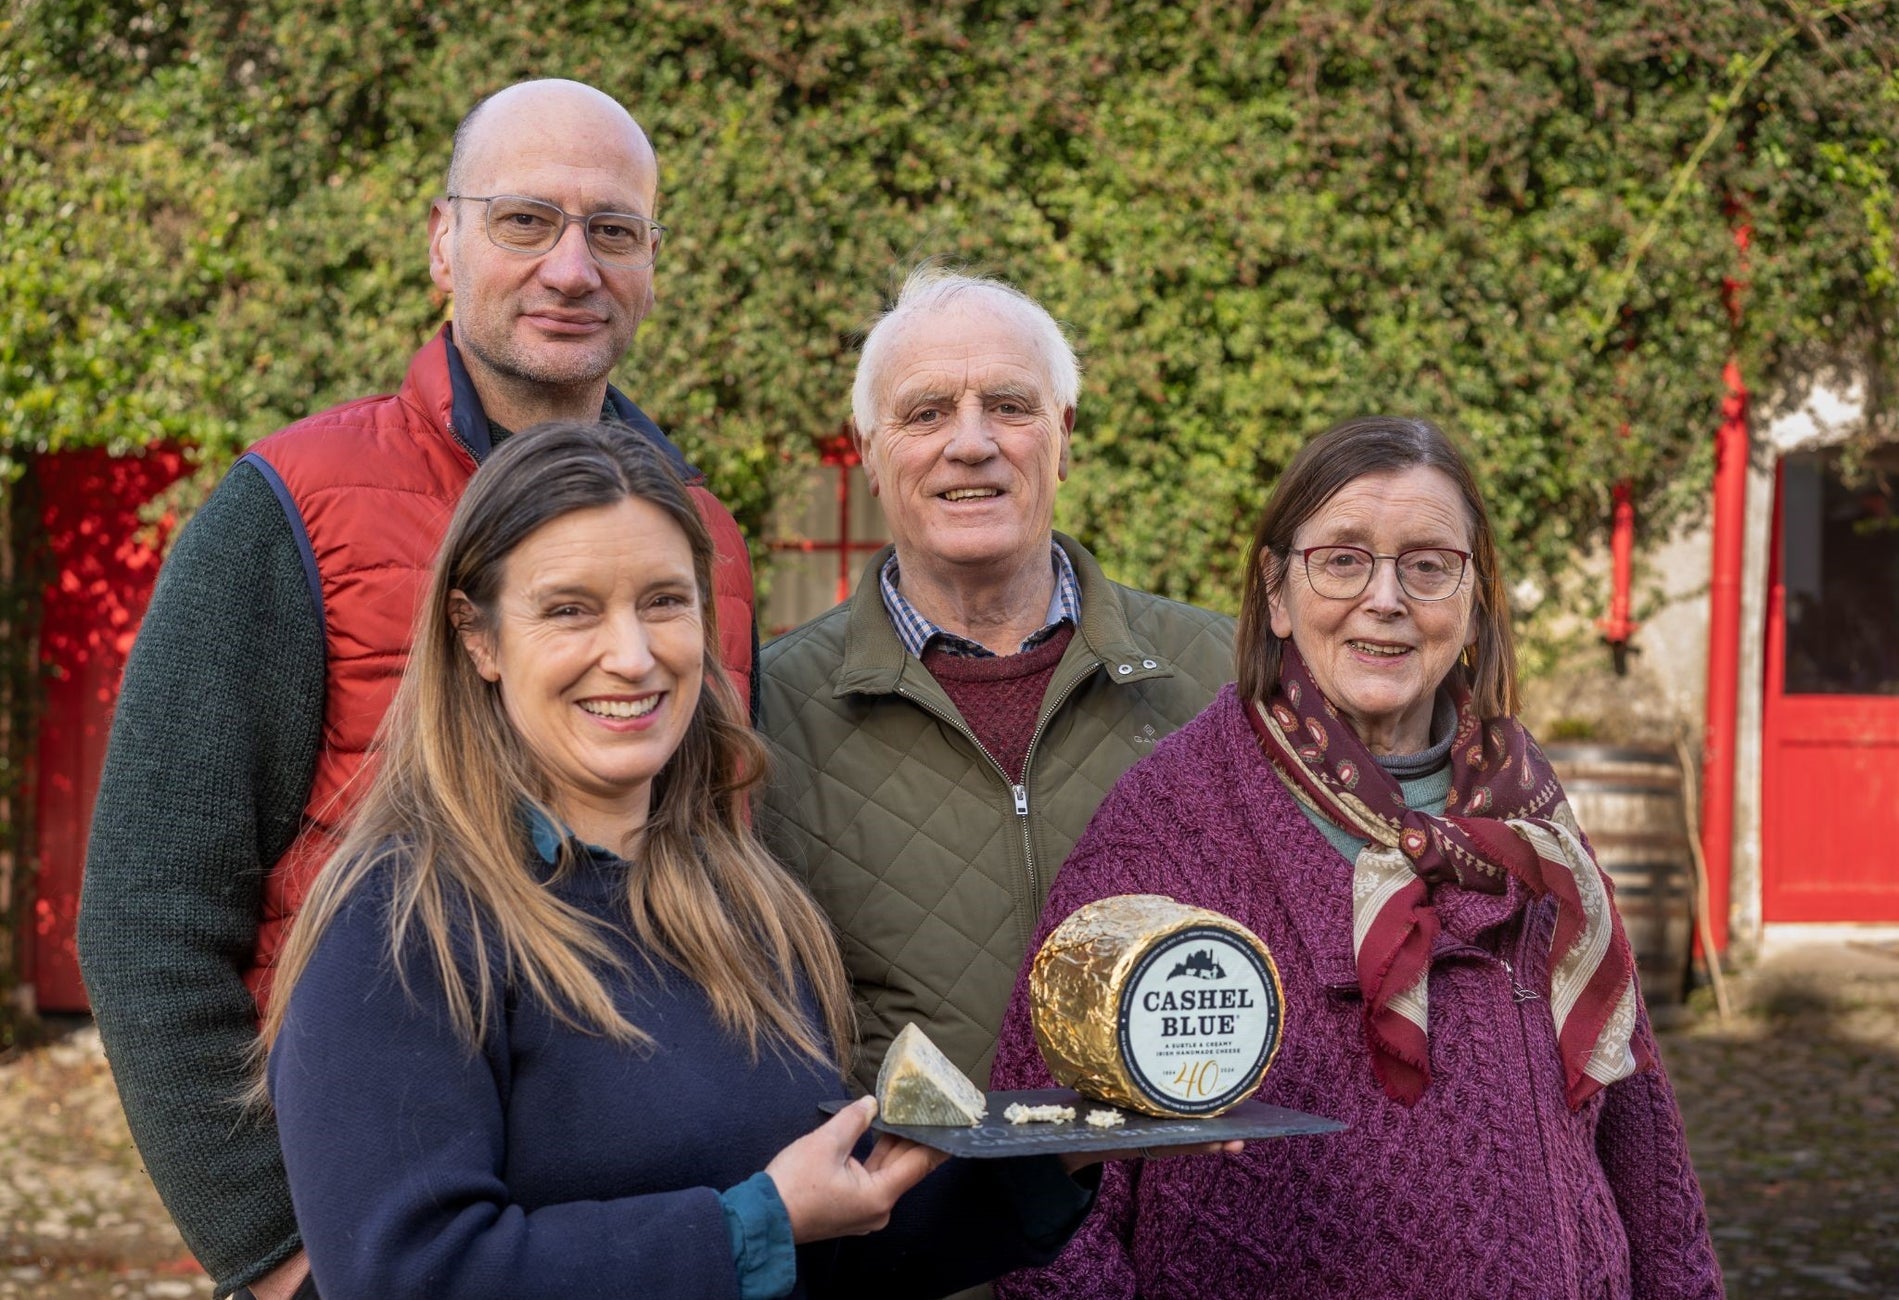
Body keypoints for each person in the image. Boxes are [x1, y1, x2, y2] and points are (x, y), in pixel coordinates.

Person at [265, 421, 1212, 1298]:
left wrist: (1057, 1159)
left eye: (663, 602)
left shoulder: (740, 902)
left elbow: (824, 1239)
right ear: (479, 638)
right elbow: (407, 1276)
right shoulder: (404, 921)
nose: (631, 655)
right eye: (569, 610)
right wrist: (746, 1227)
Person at [76, 80, 755, 1300]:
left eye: (612, 231)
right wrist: (278, 1256)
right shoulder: (288, 511)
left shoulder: (703, 539)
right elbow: (148, 911)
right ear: (444, 243)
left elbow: (715, 872)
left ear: (655, 261)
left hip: (661, 1251)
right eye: (524, 221)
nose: (570, 266)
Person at [989, 415, 1725, 1299]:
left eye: (1427, 564)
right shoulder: (1174, 820)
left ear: (1473, 596)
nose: (1386, 598)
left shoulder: (1529, 817)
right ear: (1274, 590)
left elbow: (1640, 1141)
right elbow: (1033, 1174)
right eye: (1342, 559)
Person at [759, 267, 1235, 1094]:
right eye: (926, 412)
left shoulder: (1222, 675)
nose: (971, 442)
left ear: (1064, 436)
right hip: (904, 1213)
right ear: (871, 453)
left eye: (1010, 407)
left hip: (1173, 1208)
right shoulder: (766, 711)